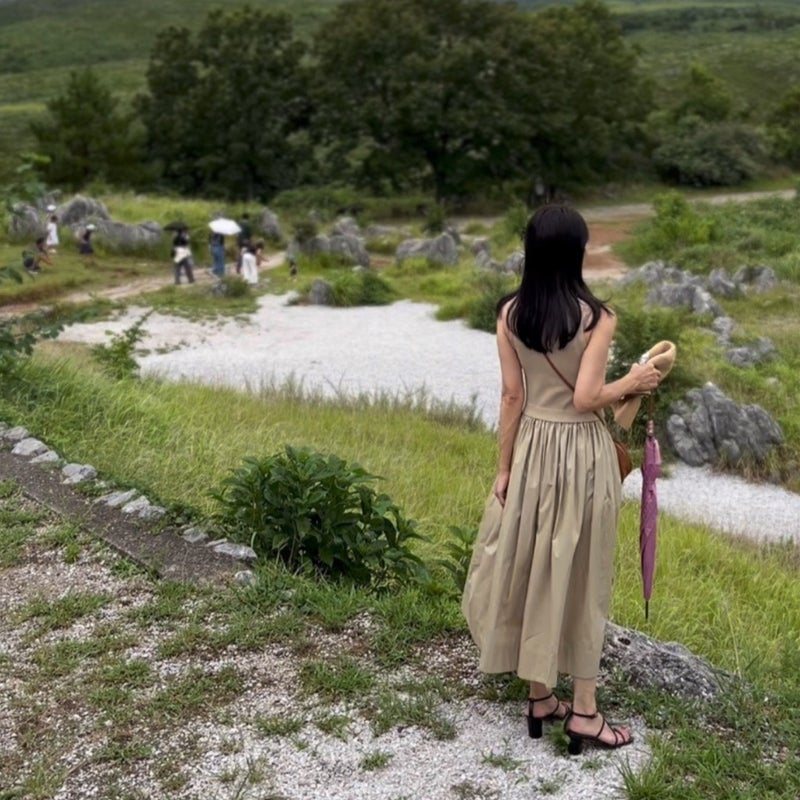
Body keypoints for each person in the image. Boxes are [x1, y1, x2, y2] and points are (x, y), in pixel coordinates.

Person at [461, 205, 661, 756]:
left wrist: (504, 468)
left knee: (536, 567)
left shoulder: (508, 313)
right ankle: (587, 714)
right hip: (582, 452)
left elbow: (511, 397)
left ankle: (541, 696)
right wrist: (636, 379)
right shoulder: (597, 317)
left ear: (530, 250)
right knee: (583, 572)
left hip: (531, 451)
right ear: (578, 252)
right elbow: (587, 397)